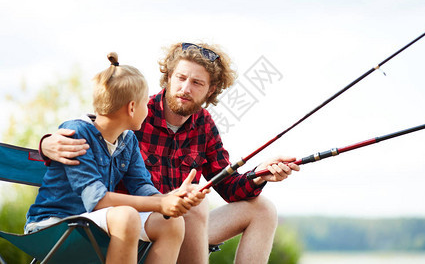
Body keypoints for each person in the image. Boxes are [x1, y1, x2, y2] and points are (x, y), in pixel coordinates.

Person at [40, 43, 299, 264]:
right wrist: (45, 145)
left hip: (176, 218)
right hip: (129, 219)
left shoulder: (204, 124)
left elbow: (229, 186)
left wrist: (262, 174)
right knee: (196, 207)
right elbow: (97, 129)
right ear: (169, 77)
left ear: (210, 90)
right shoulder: (137, 116)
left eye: (196, 83)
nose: (185, 88)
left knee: (262, 209)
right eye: (180, 78)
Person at [27, 53, 207, 264]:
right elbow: (97, 200)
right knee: (126, 215)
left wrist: (172, 199)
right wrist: (160, 204)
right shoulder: (76, 133)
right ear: (132, 107)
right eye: (144, 103)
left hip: (94, 223)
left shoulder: (128, 140)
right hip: (54, 225)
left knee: (171, 223)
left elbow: (141, 185)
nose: (148, 109)